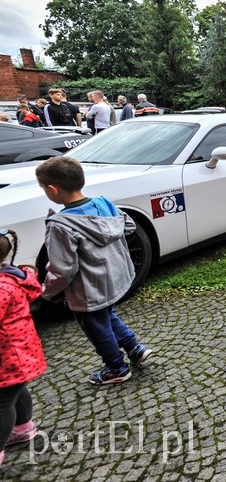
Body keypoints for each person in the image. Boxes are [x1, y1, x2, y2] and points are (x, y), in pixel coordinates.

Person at [36, 156, 153, 385]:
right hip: (115, 278)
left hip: (88, 288)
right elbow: (127, 226)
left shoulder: (61, 225)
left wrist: (47, 292)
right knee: (107, 315)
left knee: (96, 327)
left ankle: (116, 368)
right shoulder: (104, 203)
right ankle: (134, 347)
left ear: (53, 189)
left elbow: (62, 269)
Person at [0, 230, 46, 466]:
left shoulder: (1, 288)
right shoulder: (14, 278)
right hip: (22, 353)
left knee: (2, 403)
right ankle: (23, 426)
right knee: (16, 391)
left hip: (8, 357)